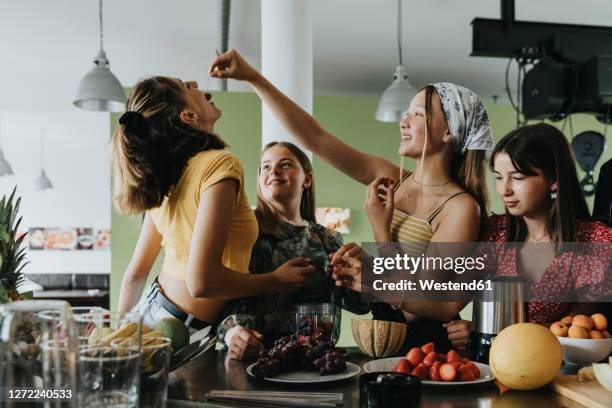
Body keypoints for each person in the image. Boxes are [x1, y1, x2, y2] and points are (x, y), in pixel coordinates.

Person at [209, 49, 493, 351]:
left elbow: (426, 301)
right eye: (406, 112)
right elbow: (315, 138)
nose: (404, 121)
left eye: (418, 114)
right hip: (383, 334)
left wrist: (381, 232)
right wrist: (254, 78)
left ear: (449, 131)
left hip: (425, 344)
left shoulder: (460, 208)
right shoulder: (392, 177)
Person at [333, 124, 611, 344]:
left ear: (554, 180)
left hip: (564, 381)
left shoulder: (596, 241)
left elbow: (575, 330)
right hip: (492, 374)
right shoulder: (496, 234)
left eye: (517, 177)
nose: (504, 190)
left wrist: (486, 333)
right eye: (499, 177)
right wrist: (374, 282)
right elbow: (446, 303)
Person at [113, 77, 315, 334]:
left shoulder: (165, 176)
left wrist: (119, 333)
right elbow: (201, 283)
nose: (195, 83)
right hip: (176, 329)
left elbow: (135, 274)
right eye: (187, 87)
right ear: (188, 116)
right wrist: (274, 281)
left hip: (153, 314)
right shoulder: (220, 164)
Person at [216, 142, 369, 360]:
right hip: (253, 360)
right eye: (266, 167)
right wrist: (232, 334)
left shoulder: (330, 239)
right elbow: (218, 301)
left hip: (316, 362)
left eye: (284, 164)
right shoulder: (241, 233)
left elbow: (359, 306)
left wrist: (367, 271)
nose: (274, 171)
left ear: (307, 179)